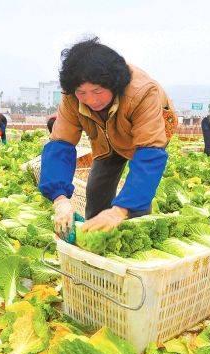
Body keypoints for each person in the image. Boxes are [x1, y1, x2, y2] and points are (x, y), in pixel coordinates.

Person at [38, 38, 177, 236]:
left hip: (145, 139)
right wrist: (60, 199)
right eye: (82, 92)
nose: (91, 100)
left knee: (134, 206)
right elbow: (60, 144)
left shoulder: (143, 91)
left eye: (97, 90)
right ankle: (94, 234)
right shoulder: (70, 96)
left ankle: (134, 237)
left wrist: (121, 210)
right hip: (106, 139)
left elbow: (149, 153)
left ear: (113, 84)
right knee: (97, 190)